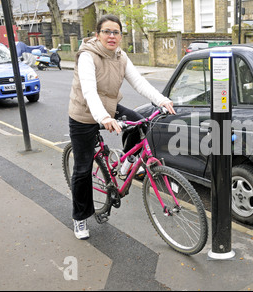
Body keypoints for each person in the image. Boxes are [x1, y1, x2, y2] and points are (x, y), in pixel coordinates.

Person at [68, 14, 175, 240]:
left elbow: (139, 82)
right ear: (97, 35)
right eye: (106, 31)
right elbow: (88, 90)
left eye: (116, 32)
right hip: (84, 114)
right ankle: (79, 217)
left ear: (120, 36)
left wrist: (162, 100)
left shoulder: (121, 56)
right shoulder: (88, 56)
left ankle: (126, 165)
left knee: (140, 123)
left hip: (109, 106)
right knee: (82, 169)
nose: (111, 36)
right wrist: (104, 118)